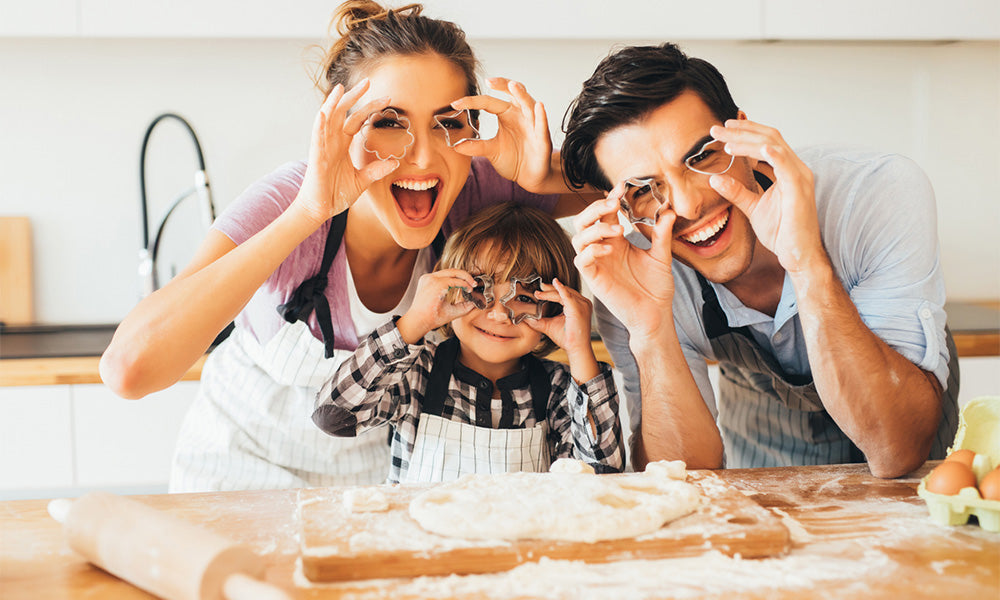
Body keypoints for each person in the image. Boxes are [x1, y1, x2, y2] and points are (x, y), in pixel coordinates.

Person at [98, 1, 592, 492]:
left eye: (447, 122)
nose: (422, 156)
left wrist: (544, 174)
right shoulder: (287, 201)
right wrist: (307, 214)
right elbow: (128, 371)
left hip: (379, 490)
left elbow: (644, 184)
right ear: (339, 126)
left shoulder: (477, 186)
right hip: (239, 473)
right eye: (388, 121)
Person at [560, 43, 959, 478]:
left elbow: (895, 449)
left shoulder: (872, 194)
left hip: (899, 401)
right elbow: (678, 477)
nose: (690, 205)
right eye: (643, 189)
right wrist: (650, 329)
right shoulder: (629, 275)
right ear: (623, 209)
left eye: (702, 157)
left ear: (745, 139)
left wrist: (807, 263)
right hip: (764, 429)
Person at [313, 203, 624, 483]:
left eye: (525, 297)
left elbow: (601, 477)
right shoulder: (416, 373)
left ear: (555, 307)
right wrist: (414, 322)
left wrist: (580, 351)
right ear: (450, 287)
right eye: (481, 288)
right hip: (421, 544)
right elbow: (334, 417)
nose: (500, 314)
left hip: (520, 545)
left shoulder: (558, 388)